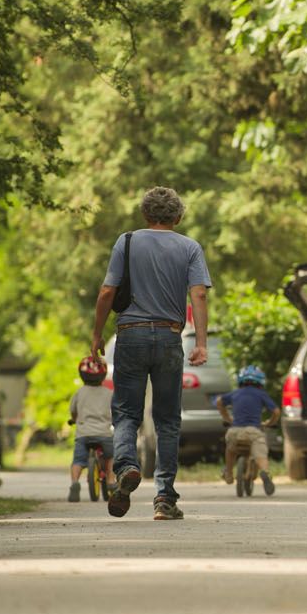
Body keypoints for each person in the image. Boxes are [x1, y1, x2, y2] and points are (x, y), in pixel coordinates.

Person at [91, 186, 211, 521]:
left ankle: (127, 466)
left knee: (127, 413)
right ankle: (164, 499)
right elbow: (198, 294)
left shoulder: (126, 241)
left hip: (130, 335)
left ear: (145, 215)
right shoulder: (189, 247)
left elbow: (106, 291)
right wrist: (200, 342)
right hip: (171, 337)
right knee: (168, 420)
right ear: (178, 216)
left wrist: (97, 334)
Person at [215, 365, 278, 496]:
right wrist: (270, 422)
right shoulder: (261, 394)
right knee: (260, 451)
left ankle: (228, 473)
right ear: (260, 381)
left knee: (230, 448)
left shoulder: (236, 393)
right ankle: (265, 473)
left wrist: (227, 418)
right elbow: (276, 411)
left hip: (235, 430)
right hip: (253, 431)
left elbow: (219, 401)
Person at [67, 355, 115, 502]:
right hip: (104, 433)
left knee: (78, 461)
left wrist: (74, 420)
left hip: (83, 434)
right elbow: (115, 411)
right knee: (110, 457)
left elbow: (73, 410)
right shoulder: (109, 393)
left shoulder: (79, 393)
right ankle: (111, 481)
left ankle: (75, 483)